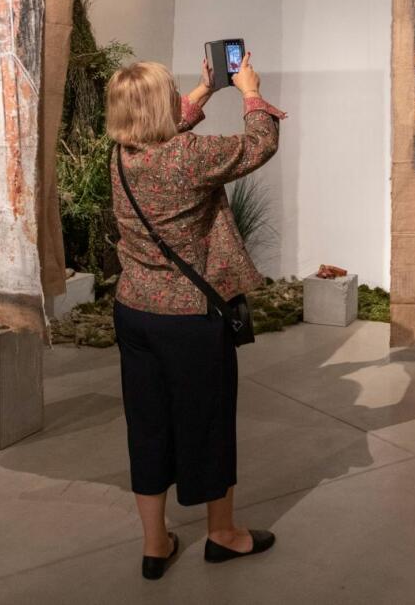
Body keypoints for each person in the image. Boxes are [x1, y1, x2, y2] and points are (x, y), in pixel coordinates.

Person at [104, 52, 287, 581]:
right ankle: (223, 534)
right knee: (206, 423)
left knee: (148, 427)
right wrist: (249, 92)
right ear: (159, 106)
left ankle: (155, 544)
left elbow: (167, 124)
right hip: (189, 317)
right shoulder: (188, 157)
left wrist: (206, 90)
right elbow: (259, 144)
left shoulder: (121, 154)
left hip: (134, 311)